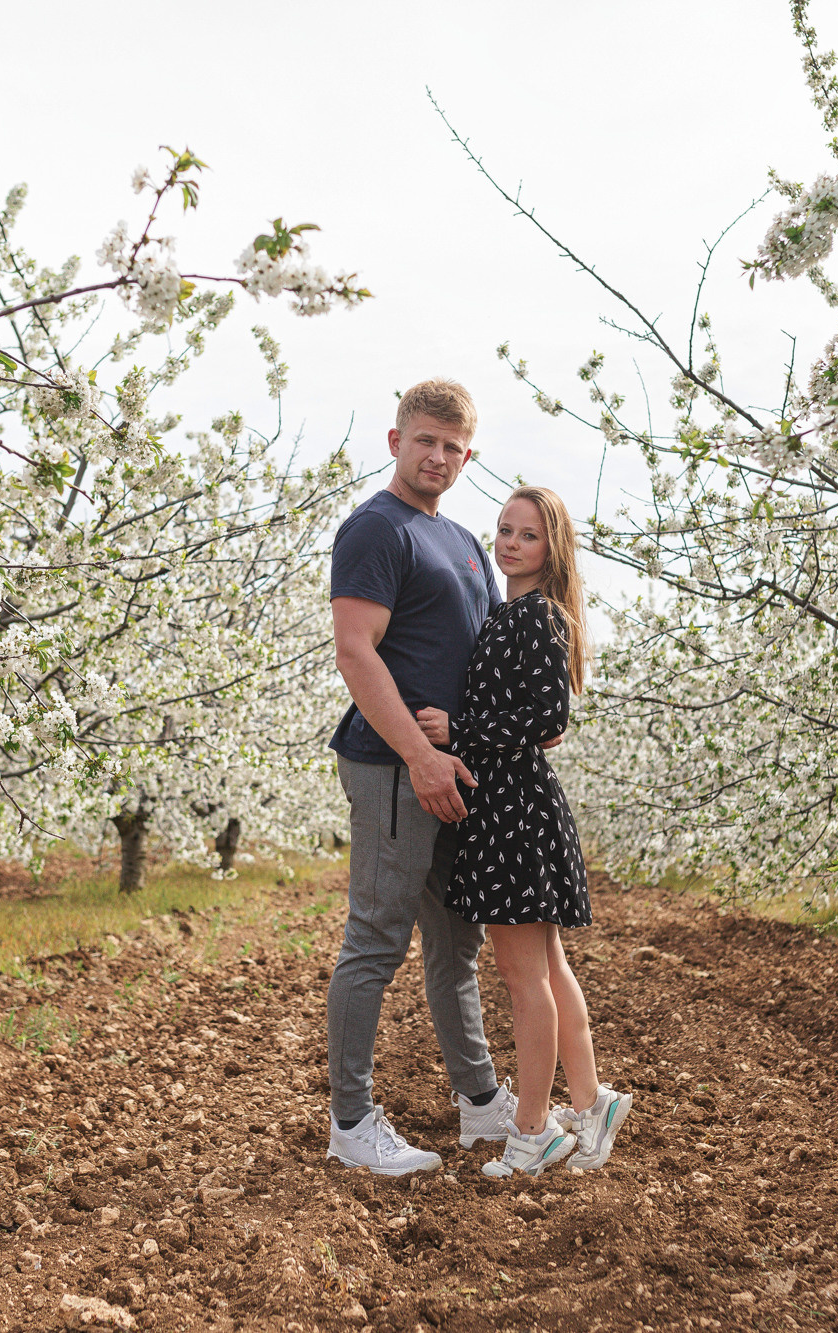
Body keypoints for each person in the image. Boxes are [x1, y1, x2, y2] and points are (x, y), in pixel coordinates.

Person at [323, 379, 532, 1174]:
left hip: (453, 771)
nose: (437, 456)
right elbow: (355, 650)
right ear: (396, 441)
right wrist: (418, 755)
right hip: (393, 766)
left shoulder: (466, 543)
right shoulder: (376, 529)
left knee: (455, 945)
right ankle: (351, 1122)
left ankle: (480, 1103)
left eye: (452, 446)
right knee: (376, 939)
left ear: (467, 456)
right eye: (425, 441)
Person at [415, 485, 634, 1177]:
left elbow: (546, 719)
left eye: (528, 535)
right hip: (512, 806)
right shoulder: (512, 613)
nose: (510, 543)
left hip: (514, 810)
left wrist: (458, 732)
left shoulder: (536, 615)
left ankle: (534, 1130)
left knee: (522, 976)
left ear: (551, 547)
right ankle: (591, 1101)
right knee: (546, 967)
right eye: (505, 530)